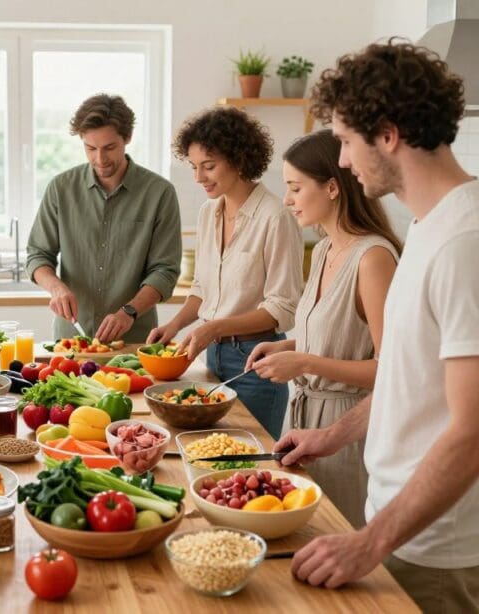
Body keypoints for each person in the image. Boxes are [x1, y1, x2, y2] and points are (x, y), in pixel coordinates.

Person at [274, 40, 479, 612]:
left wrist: (368, 543)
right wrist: (331, 436)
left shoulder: (466, 244)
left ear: (387, 134)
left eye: (344, 139)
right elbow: (408, 381)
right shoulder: (429, 229)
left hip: (434, 546)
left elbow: (472, 429)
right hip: (398, 525)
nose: (340, 160)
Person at [243, 129, 400, 528]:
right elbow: (342, 334)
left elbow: (391, 370)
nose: (287, 199)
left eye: (296, 188)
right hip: (305, 420)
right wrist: (286, 347)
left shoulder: (373, 259)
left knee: (338, 542)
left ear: (332, 187)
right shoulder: (326, 247)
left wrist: (306, 361)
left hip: (349, 431)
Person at [148, 107, 304, 439]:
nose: (198, 177)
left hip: (256, 362)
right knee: (213, 453)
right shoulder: (209, 212)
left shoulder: (276, 217)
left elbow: (282, 308)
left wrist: (215, 326)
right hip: (213, 356)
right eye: (194, 167)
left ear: (239, 159)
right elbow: (204, 286)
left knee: (251, 457)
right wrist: (175, 325)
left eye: (209, 166)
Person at [26, 93, 182, 344]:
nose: (100, 159)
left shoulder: (159, 193)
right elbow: (37, 254)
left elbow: (165, 270)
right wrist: (56, 287)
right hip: (71, 340)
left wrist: (128, 312)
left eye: (110, 147)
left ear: (127, 138)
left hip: (134, 340)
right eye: (90, 148)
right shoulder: (61, 188)